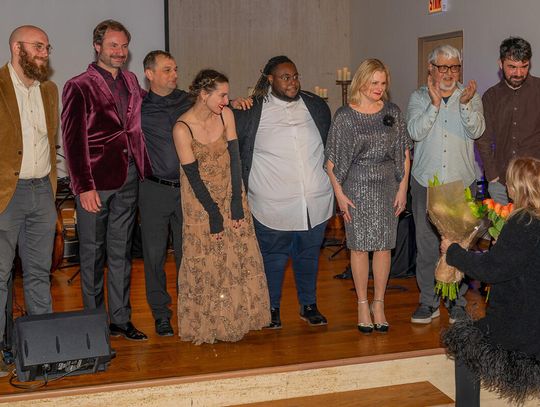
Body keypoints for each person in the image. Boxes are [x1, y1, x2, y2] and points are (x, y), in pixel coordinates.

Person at [140, 51, 253, 336]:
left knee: (190, 255)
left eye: (175, 69)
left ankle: (190, 310)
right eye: (167, 70)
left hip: (188, 194)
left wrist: (234, 102)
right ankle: (161, 314)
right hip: (154, 189)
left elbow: (215, 104)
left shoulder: (187, 99)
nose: (174, 74)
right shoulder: (138, 107)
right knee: (153, 255)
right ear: (149, 74)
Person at [62, 20, 152, 341]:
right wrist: (83, 186)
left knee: (121, 252)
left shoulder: (130, 80)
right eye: (113, 45)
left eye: (124, 46)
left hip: (129, 177)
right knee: (91, 254)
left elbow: (156, 104)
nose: (120, 52)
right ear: (97, 46)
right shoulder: (78, 86)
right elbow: (73, 142)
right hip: (95, 184)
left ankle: (120, 319)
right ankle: (94, 322)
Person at [234, 56, 333, 329]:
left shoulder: (316, 105)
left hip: (314, 201)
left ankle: (309, 305)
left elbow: (331, 146)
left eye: (295, 76)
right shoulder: (251, 110)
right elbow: (235, 150)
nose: (293, 82)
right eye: (285, 77)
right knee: (273, 259)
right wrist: (230, 104)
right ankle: (271, 308)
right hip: (271, 203)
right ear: (270, 79)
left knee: (308, 256)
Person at [172, 69, 270, 344]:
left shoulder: (226, 115)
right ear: (204, 95)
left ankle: (238, 318)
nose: (227, 101)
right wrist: (214, 215)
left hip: (230, 193)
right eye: (222, 95)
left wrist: (236, 203)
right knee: (208, 261)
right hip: (201, 202)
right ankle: (210, 322)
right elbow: (193, 177)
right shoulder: (182, 128)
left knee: (236, 257)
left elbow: (236, 160)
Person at [441, 157, 540, 407]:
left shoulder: (523, 223)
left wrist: (453, 252)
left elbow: (492, 271)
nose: (506, 186)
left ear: (517, 187)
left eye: (509, 182)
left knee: (464, 342)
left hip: (521, 326)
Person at [325, 59, 411, 334]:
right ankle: (362, 304)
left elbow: (404, 153)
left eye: (383, 83)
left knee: (384, 247)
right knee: (359, 247)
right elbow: (331, 162)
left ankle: (379, 304)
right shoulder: (344, 116)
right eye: (374, 82)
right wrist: (340, 195)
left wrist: (402, 188)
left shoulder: (393, 112)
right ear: (361, 82)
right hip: (355, 188)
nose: (379, 88)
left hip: (387, 187)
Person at [406, 44, 485, 325]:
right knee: (427, 246)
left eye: (454, 67)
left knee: (458, 247)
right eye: (443, 67)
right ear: (431, 68)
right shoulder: (418, 97)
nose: (449, 73)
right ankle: (428, 302)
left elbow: (478, 130)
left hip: (459, 185)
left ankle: (456, 302)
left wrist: (464, 105)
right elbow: (414, 131)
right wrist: (434, 104)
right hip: (426, 183)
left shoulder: (471, 97)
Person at [0, 25, 58, 376]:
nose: (45, 53)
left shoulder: (49, 90)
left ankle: (42, 350)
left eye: (47, 47)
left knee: (39, 275)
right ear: (16, 47)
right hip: (6, 195)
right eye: (38, 46)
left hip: (42, 192)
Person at [477, 37, 540, 205]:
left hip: (536, 182)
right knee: (503, 223)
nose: (519, 73)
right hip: (502, 183)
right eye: (512, 67)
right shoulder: (491, 97)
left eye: (524, 66)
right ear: (500, 64)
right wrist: (492, 176)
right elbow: (483, 139)